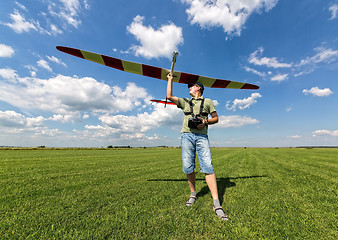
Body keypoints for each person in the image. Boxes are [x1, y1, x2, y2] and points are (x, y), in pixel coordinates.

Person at [166, 72, 228, 221]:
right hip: (186, 135)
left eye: (191, 86)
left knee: (208, 166)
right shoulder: (185, 102)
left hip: (202, 137)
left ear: (198, 88)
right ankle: (193, 194)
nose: (189, 88)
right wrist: (170, 80)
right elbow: (169, 96)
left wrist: (205, 122)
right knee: (188, 167)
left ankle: (216, 203)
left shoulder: (208, 102)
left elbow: (216, 118)